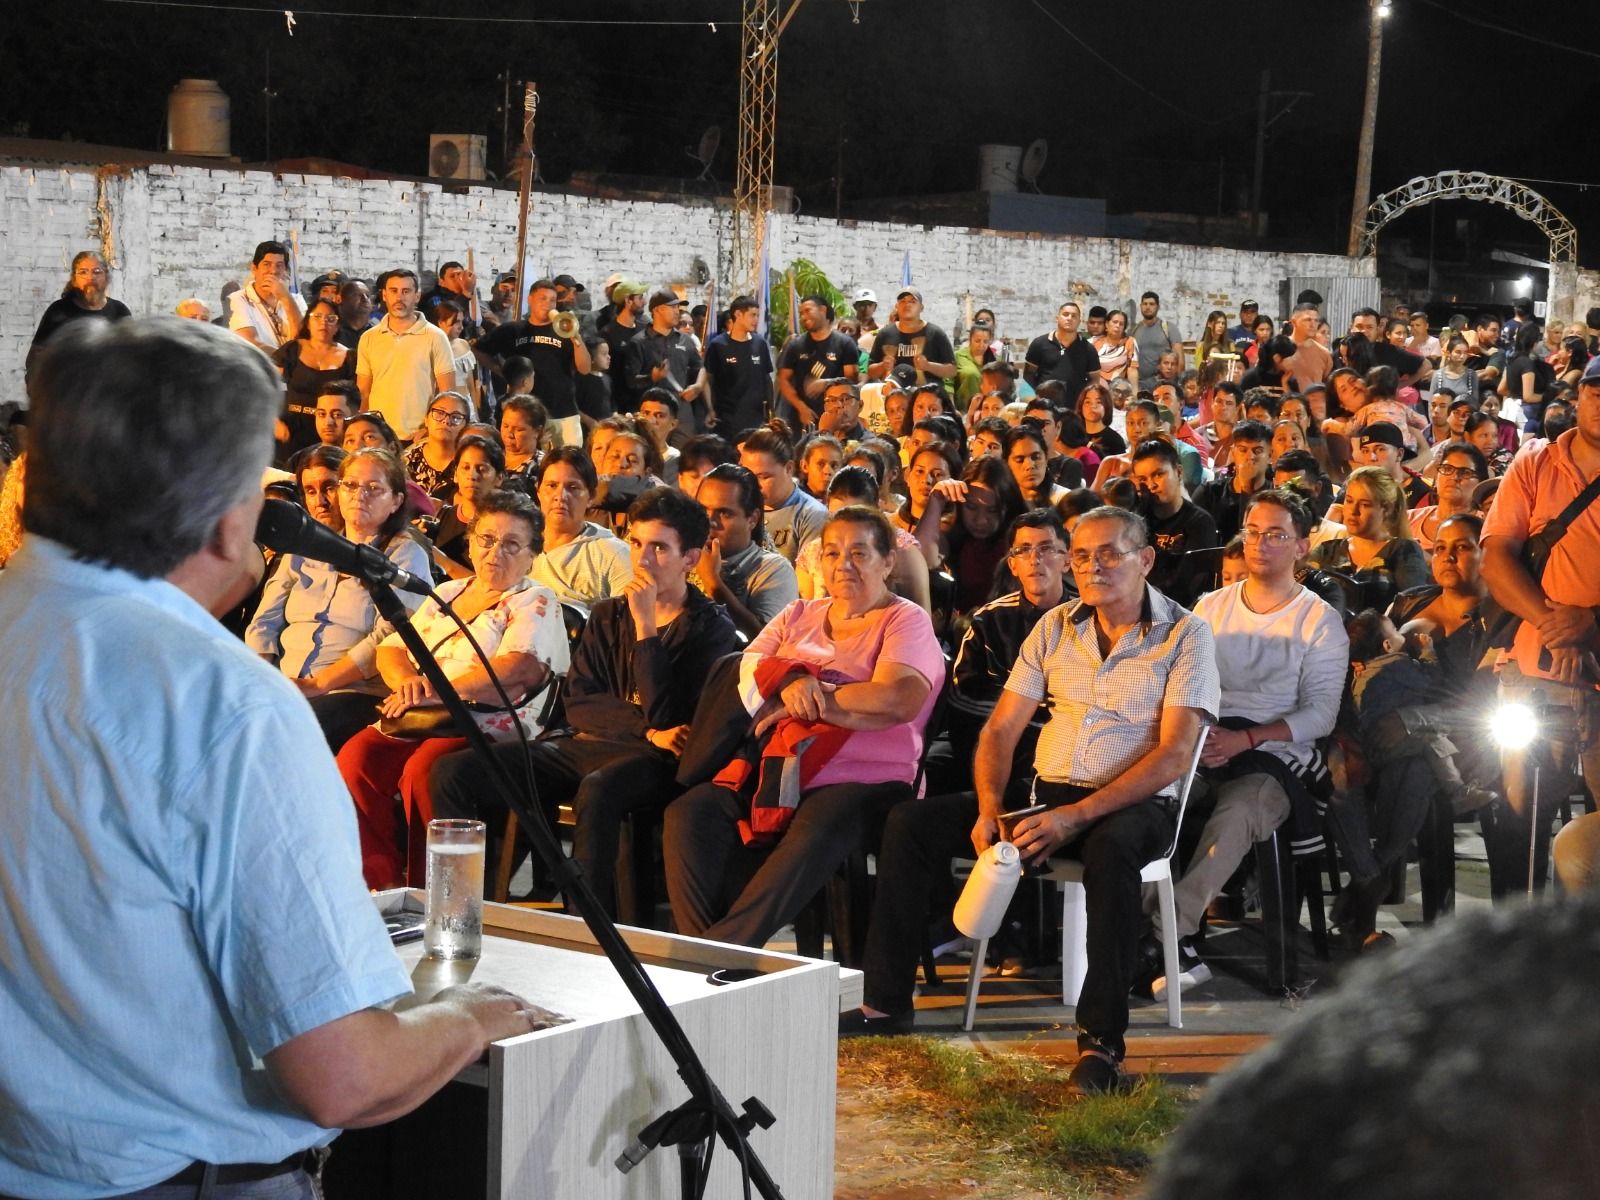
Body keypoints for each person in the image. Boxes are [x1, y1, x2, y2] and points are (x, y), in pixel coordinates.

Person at [0, 317, 553, 1200]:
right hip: (180, 1179)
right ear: (224, 520)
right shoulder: (226, 706)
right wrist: (467, 1018)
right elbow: (345, 1074)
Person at [846, 506, 1217, 1096]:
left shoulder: (1186, 633)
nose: (1093, 566)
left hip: (1134, 804)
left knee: (1114, 849)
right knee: (911, 823)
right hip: (1046, 794)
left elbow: (1175, 755)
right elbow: (999, 731)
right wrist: (992, 806)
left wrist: (1075, 817)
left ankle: (1101, 1048)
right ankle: (885, 1006)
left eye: (1110, 553)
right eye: (1082, 555)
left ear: (1145, 560)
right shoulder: (1056, 627)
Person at [431, 487, 741, 920]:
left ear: (690, 559)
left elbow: (670, 719)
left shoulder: (710, 627)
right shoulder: (608, 614)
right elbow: (580, 702)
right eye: (635, 544)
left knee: (599, 788)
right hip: (595, 741)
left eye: (659, 549)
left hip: (659, 762)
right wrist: (645, 728)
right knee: (454, 771)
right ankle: (460, 908)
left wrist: (646, 627)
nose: (644, 560)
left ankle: (590, 924)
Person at [663, 505, 943, 949]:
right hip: (779, 767)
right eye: (831, 553)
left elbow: (895, 698)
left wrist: (808, 699)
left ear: (888, 561)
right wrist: (792, 679)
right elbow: (748, 667)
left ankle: (717, 953)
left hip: (866, 776)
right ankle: (707, 949)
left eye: (859, 553)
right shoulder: (799, 613)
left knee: (816, 826)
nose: (843, 565)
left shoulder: (904, 619)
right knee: (691, 812)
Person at [1152, 489, 1346, 999]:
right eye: (1253, 532)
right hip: (1205, 737)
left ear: (1303, 546)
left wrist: (1247, 739)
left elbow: (1320, 714)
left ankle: (1167, 930)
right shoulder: (1210, 607)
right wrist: (1198, 733)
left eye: (1277, 535)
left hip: (1275, 750)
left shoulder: (1318, 620)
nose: (1261, 544)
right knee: (1145, 789)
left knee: (1242, 809)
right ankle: (1136, 916)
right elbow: (1180, 680)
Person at [338, 490, 569, 890]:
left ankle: (434, 889)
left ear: (533, 554)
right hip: (421, 711)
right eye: (486, 539)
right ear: (471, 540)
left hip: (484, 718)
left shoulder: (534, 598)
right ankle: (378, 882)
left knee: (422, 771)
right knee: (357, 756)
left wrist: (437, 689)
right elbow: (392, 648)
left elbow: (519, 668)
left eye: (512, 544)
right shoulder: (445, 593)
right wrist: (408, 683)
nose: (495, 552)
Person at [1479, 361, 1600, 897]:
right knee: (1520, 811)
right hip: (1534, 670)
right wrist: (1555, 623)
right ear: (1580, 396)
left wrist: (1590, 622)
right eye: (1596, 390)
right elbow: (1497, 557)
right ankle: (1514, 949)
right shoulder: (1534, 463)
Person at [249, 446, 431, 753]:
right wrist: (262, 677)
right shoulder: (306, 543)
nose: (360, 495)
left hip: (354, 691)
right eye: (350, 485)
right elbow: (265, 621)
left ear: (396, 501)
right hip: (286, 681)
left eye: (374, 489)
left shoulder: (404, 554)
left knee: (287, 737)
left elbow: (389, 638)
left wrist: (317, 685)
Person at [477, 279, 592, 448]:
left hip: (564, 413)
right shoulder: (513, 330)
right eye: (542, 298)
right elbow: (478, 350)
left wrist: (576, 337)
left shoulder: (565, 330)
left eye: (552, 300)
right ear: (530, 299)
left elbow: (585, 368)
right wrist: (502, 371)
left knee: (570, 464)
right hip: (527, 415)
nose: (547, 304)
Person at [691, 462, 801, 638]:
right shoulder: (681, 556)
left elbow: (767, 641)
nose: (710, 521)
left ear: (752, 518)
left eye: (725, 513)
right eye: (703, 509)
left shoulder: (774, 570)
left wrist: (713, 582)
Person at [1310, 464, 1430, 613]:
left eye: (1365, 504)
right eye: (1349, 501)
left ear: (1387, 509)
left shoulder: (1402, 551)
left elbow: (1413, 606)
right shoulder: (1327, 550)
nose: (1353, 511)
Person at [528, 446, 634, 612]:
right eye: (552, 485)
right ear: (538, 491)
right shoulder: (518, 544)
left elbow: (629, 622)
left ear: (591, 497)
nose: (560, 496)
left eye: (573, 488)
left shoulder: (613, 554)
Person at [356, 268, 456, 439]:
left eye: (406, 291)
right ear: (384, 295)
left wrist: (429, 429)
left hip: (419, 436)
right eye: (394, 291)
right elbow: (364, 392)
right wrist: (361, 429)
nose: (399, 298)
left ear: (417, 296)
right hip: (378, 436)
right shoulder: (368, 338)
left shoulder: (435, 337)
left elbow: (448, 392)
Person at [1130, 437, 1218, 606]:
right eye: (1143, 479)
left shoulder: (1200, 522)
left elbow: (1191, 582)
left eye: (1158, 474)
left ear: (1178, 472)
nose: (1151, 485)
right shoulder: (1137, 519)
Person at [273, 295, 355, 460]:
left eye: (330, 318)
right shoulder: (293, 349)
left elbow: (355, 400)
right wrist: (273, 420)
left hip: (330, 430)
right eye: (317, 317)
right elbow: (264, 385)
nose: (323, 322)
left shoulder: (350, 357)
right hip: (290, 427)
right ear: (308, 322)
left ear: (338, 325)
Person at [26, 251, 131, 375]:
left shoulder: (119, 311)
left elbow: (132, 358)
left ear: (107, 277)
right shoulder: (59, 311)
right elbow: (34, 360)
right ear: (74, 279)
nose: (90, 278)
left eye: (97, 272)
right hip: (67, 390)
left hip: (108, 390)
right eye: (83, 272)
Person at [740, 422, 828, 562]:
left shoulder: (812, 515)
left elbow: (808, 576)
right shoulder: (741, 508)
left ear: (788, 468)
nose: (754, 485)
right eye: (748, 475)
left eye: (764, 477)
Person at [623, 291, 708, 431]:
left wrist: (698, 386)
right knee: (654, 450)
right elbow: (630, 381)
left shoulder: (685, 340)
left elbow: (700, 367)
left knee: (684, 451)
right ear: (657, 310)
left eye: (678, 308)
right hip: (653, 411)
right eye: (673, 307)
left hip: (682, 409)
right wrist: (652, 377)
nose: (677, 312)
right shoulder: (639, 342)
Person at [429, 435, 507, 578]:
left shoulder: (503, 527)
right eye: (465, 467)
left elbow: (491, 586)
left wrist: (443, 562)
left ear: (499, 478)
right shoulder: (440, 517)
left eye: (482, 469)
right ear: (456, 475)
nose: (472, 475)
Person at [1193, 419, 1273, 542]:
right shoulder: (1209, 493)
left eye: (1258, 451)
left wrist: (1246, 487)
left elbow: (1248, 541)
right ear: (1233, 453)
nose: (1250, 457)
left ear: (1270, 456)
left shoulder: (1275, 496)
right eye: (1243, 450)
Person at [703, 293, 774, 431]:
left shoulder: (760, 344)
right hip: (726, 419)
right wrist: (710, 409)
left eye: (758, 316)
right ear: (738, 314)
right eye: (752, 315)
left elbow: (767, 379)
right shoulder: (718, 345)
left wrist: (771, 411)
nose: (756, 320)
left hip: (756, 419)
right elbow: (708, 379)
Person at [868, 287, 957, 396]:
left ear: (921, 307)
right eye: (902, 301)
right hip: (895, 396)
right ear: (897, 306)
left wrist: (928, 366)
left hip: (928, 395)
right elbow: (870, 372)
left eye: (912, 301)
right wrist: (883, 365)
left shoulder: (935, 333)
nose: (907, 304)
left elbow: (952, 370)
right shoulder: (885, 334)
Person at [228, 240, 305, 353]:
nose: (273, 271)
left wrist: (285, 298)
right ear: (254, 268)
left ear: (285, 270)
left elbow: (304, 339)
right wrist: (285, 361)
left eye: (279, 265)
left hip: (293, 368)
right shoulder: (239, 299)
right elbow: (250, 342)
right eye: (266, 264)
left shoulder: (296, 299)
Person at [403, 389, 473, 502]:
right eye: (439, 413)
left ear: (466, 426)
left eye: (455, 417)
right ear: (426, 419)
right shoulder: (407, 460)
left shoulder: (470, 463)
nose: (446, 421)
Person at [1024, 301, 1102, 401]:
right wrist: (1036, 398)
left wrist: (1084, 400)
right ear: (1057, 318)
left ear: (1079, 321)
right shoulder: (1039, 344)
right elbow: (1028, 375)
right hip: (1045, 405)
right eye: (1065, 314)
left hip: (1074, 408)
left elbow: (1094, 379)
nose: (1069, 318)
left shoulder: (1088, 349)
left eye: (1074, 316)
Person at [498, 393, 548, 493]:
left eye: (519, 429)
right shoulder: (491, 457)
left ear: (537, 431)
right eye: (505, 426)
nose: (509, 434)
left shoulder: (544, 467)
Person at [1132, 292, 1182, 390]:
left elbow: (1180, 361)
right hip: (1141, 385)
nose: (1148, 307)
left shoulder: (1168, 328)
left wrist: (1175, 387)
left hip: (1163, 384)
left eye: (1151, 304)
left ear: (1158, 307)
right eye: (1145, 304)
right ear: (1140, 306)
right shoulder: (1135, 330)